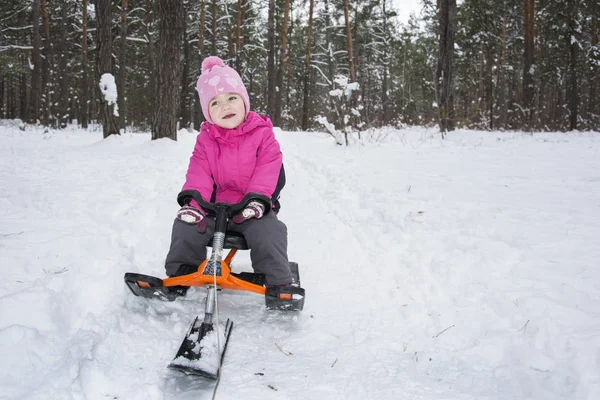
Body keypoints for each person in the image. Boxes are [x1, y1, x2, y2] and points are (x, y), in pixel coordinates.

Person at [164, 56, 292, 291]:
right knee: (186, 225)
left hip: (252, 208)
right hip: (213, 209)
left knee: (270, 232)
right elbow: (199, 172)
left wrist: (257, 201)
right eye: (215, 103)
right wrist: (194, 203)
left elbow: (268, 169)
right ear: (207, 112)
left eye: (232, 98)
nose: (225, 106)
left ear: (244, 102)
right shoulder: (205, 141)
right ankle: (181, 273)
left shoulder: (263, 135)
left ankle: (277, 282)